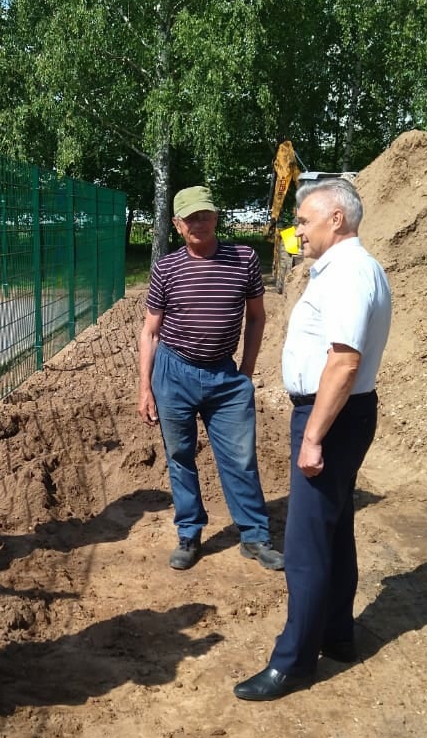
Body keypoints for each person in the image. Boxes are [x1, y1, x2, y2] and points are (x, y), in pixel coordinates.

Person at [234, 177, 392, 702]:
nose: (296, 228)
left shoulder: (348, 273)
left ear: (337, 219)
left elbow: (344, 362)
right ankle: (337, 634)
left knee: (303, 545)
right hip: (340, 414)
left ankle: (294, 661)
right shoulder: (344, 270)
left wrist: (313, 437)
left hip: (332, 416)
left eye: (303, 219)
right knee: (335, 528)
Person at [137, 184, 283, 572]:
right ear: (177, 224)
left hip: (224, 375)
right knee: (180, 456)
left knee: (239, 457)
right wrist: (145, 388)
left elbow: (256, 317)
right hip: (174, 373)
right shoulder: (166, 268)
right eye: (190, 218)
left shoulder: (244, 259)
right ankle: (189, 532)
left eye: (205, 215)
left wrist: (246, 372)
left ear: (216, 217)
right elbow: (151, 331)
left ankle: (254, 535)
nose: (199, 223)